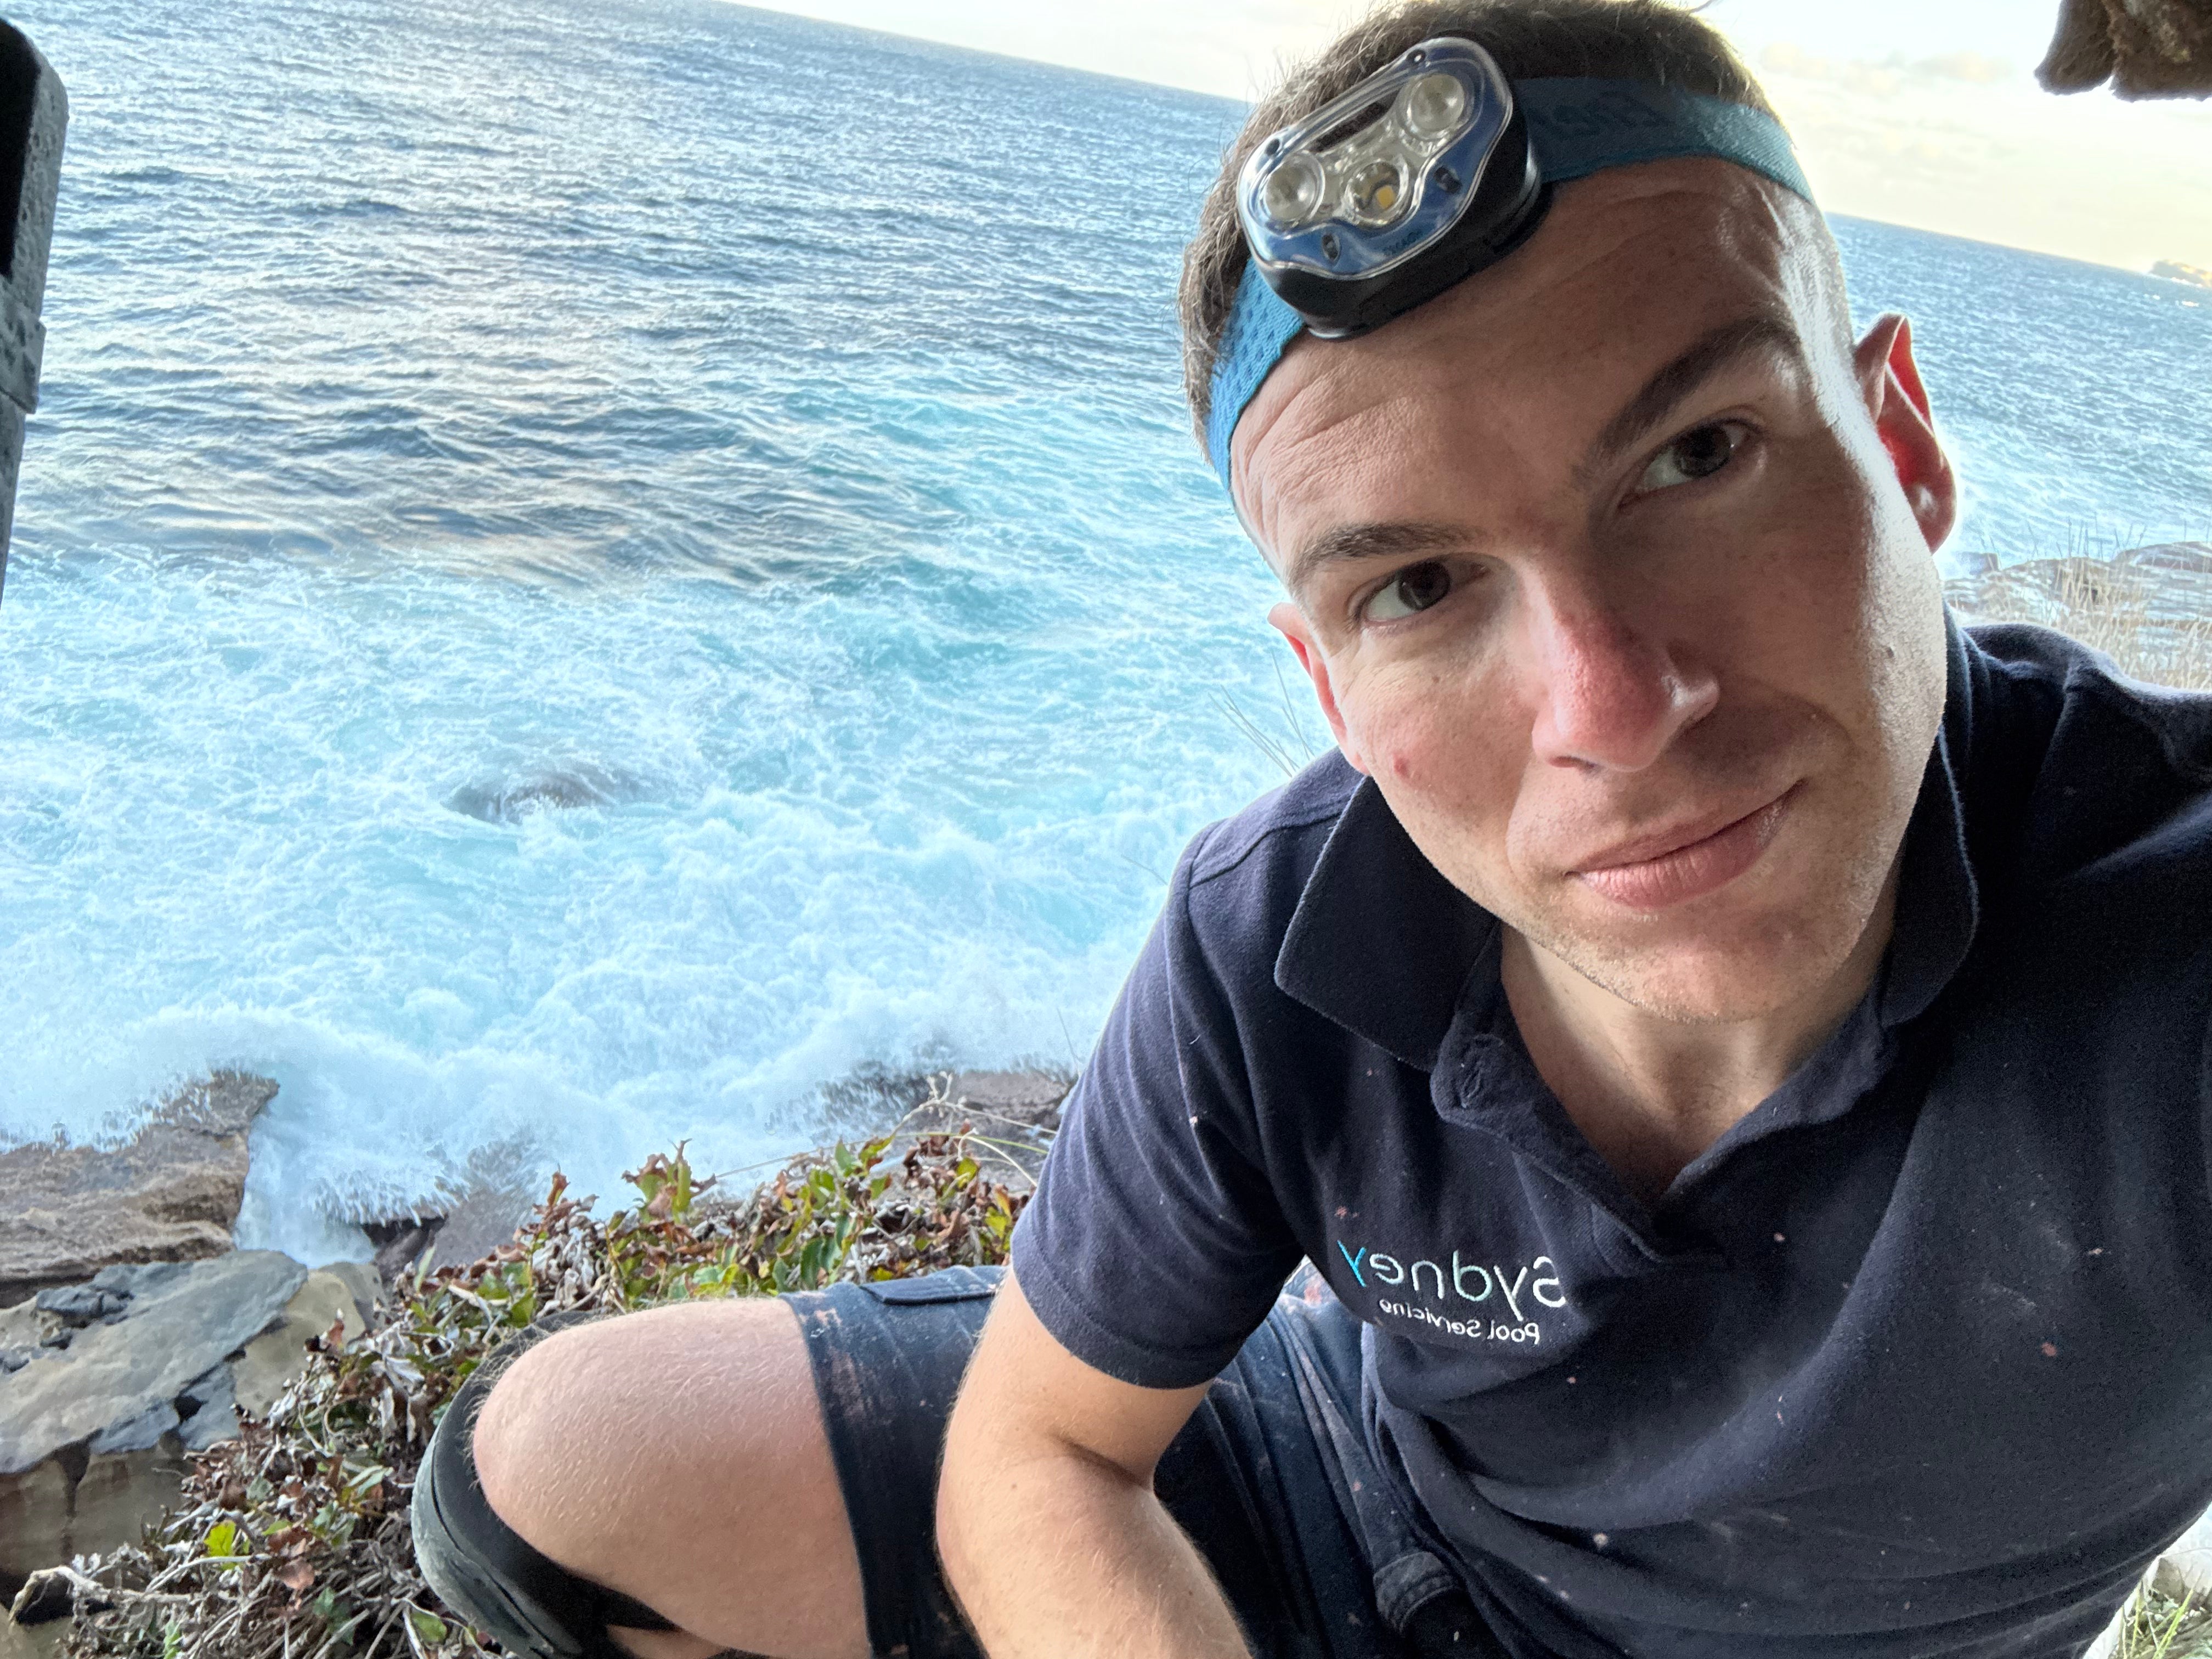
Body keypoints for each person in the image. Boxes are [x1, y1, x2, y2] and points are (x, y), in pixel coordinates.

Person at [409, 2, 2212, 1657]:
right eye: (1419, 587)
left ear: (1902, 446)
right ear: (1330, 687)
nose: (1609, 708)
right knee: (553, 1474)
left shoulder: (2169, 936)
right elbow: (1043, 1449)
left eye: (1698, 456)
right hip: (1364, 1491)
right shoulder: (1282, 928)